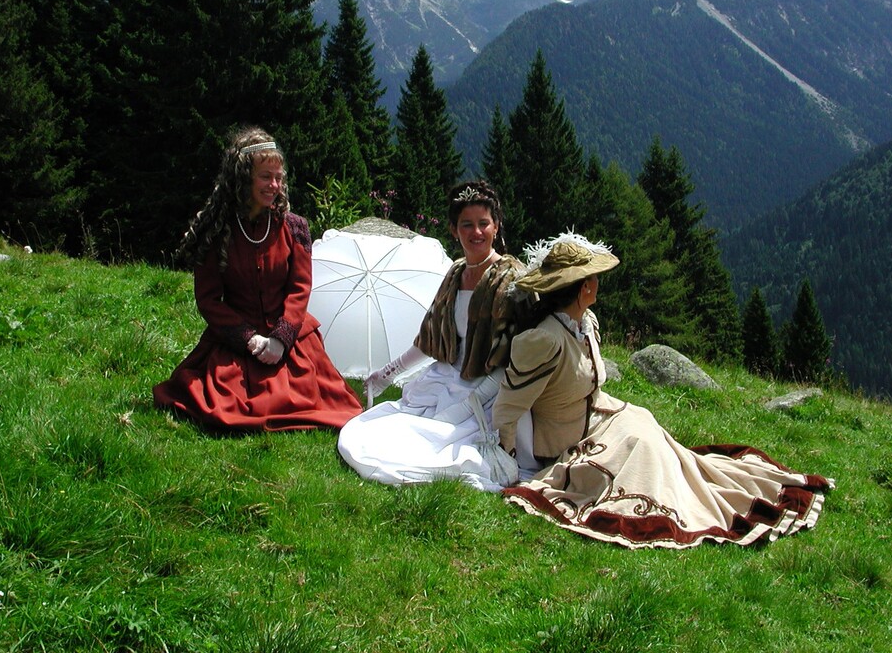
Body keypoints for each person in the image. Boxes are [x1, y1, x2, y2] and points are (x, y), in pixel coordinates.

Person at [493, 232, 833, 549]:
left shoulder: (585, 321)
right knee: (642, 445)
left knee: (650, 431)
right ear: (583, 288)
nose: (598, 283)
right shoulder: (544, 339)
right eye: (594, 278)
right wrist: (509, 459)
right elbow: (509, 407)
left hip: (601, 418)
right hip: (569, 441)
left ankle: (692, 490)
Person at [153, 127, 362, 432]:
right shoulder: (217, 230)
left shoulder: (294, 227)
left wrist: (280, 338)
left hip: (289, 341)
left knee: (317, 399)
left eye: (278, 177)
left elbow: (299, 289)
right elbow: (209, 300)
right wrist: (249, 338)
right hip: (236, 342)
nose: (274, 185)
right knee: (223, 405)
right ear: (243, 178)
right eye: (265, 177)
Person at [337, 181, 527, 491]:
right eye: (467, 225)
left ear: (496, 226)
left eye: (483, 223)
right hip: (447, 377)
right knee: (379, 432)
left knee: (436, 442)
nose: (476, 232)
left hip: (489, 386)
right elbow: (431, 337)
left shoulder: (510, 278)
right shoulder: (455, 274)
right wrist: (387, 373)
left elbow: (517, 356)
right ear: (454, 230)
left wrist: (472, 402)